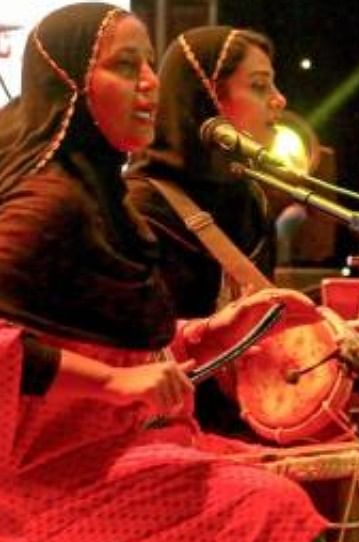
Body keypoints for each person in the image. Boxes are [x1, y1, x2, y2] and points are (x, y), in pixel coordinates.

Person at [0, 5, 347, 542]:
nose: (148, 84)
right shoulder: (47, 202)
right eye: (124, 66)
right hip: (12, 489)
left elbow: (89, 337)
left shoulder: (87, 188)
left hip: (58, 459)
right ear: (72, 84)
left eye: (148, 67)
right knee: (269, 513)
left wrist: (206, 334)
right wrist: (113, 382)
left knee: (252, 483)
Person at [125, 26, 284, 437]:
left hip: (259, 416)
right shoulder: (138, 207)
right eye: (259, 85)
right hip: (165, 427)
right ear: (206, 100)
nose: (278, 100)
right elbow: (132, 352)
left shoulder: (253, 201)